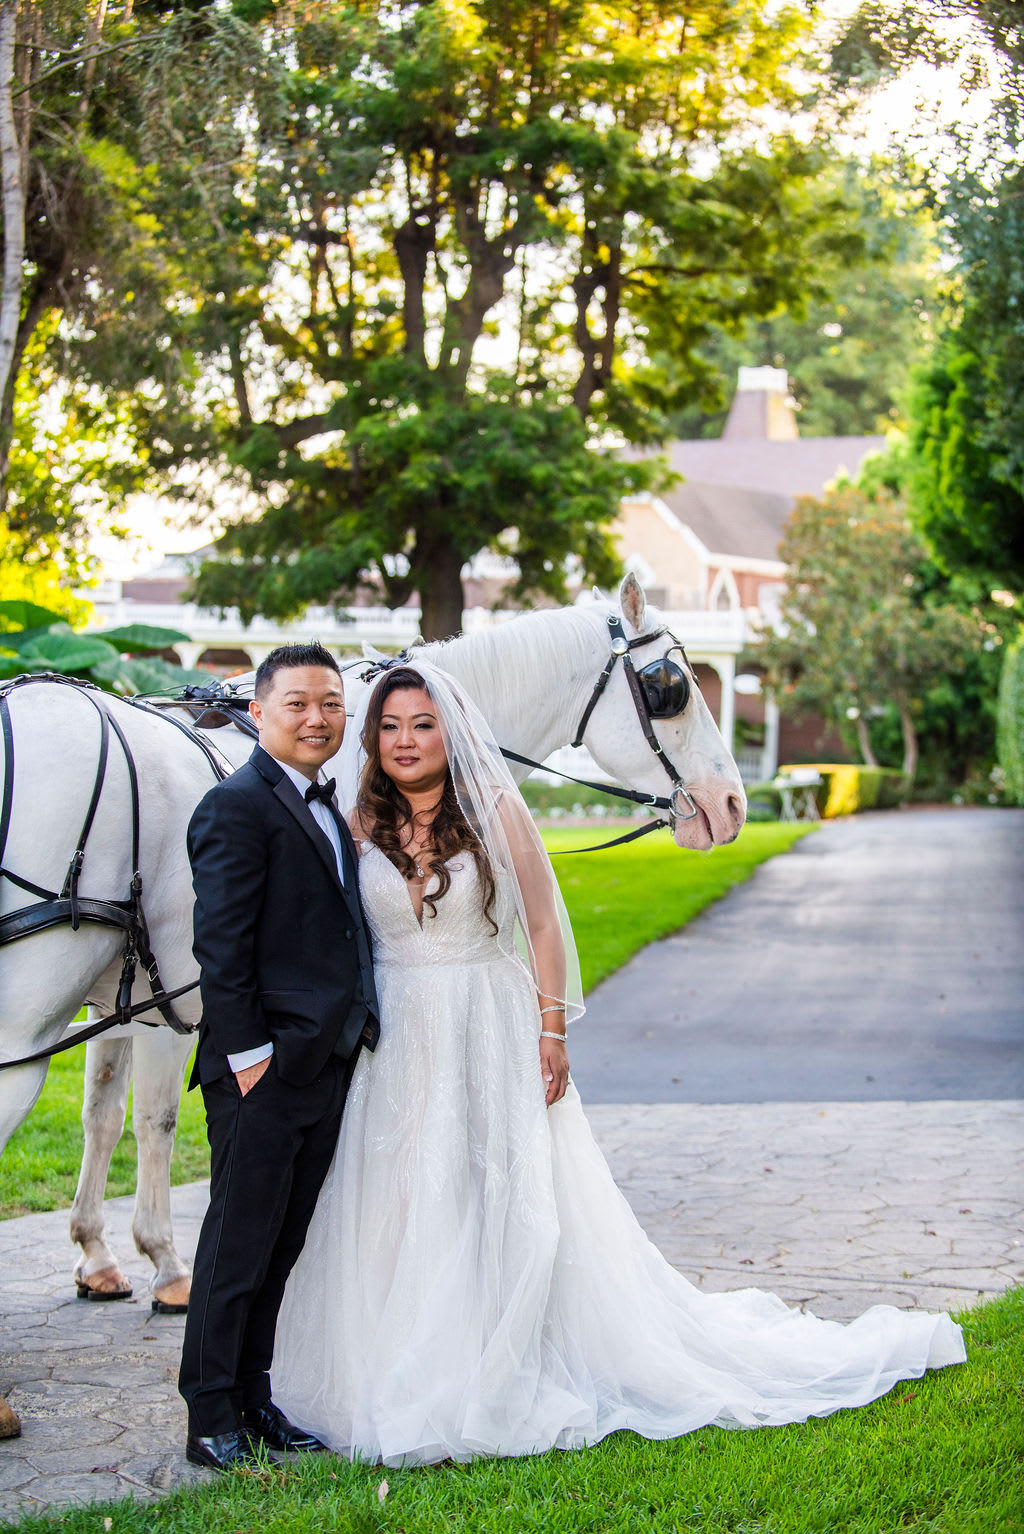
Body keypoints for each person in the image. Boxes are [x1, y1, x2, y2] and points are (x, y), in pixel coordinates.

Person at [272, 661, 965, 1466]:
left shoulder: (495, 808)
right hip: (396, 1039)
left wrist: (551, 1032)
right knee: (399, 1193)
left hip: (484, 1022)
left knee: (486, 1183)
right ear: (373, 737)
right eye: (389, 726)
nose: (404, 741)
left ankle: (493, 1354)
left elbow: (539, 926)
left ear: (450, 732)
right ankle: (394, 1359)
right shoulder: (355, 823)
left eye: (422, 724)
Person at [178, 642, 379, 1471]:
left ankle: (256, 1400)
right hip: (261, 1069)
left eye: (330, 704)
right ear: (256, 712)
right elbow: (219, 949)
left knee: (281, 1243)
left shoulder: (328, 802)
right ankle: (209, 1416)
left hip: (323, 1063)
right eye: (296, 703)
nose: (316, 718)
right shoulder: (236, 806)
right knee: (235, 1247)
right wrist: (251, 1056)